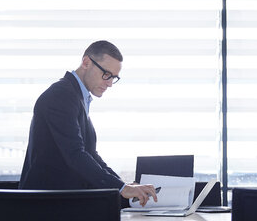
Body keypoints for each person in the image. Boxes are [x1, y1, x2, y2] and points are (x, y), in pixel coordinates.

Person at [19, 40, 157, 206]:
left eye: (114, 77)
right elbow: (76, 154)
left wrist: (122, 185)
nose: (110, 83)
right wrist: (121, 188)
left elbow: (90, 154)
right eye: (106, 74)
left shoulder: (77, 97)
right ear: (86, 62)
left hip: (60, 204)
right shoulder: (61, 96)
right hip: (45, 207)